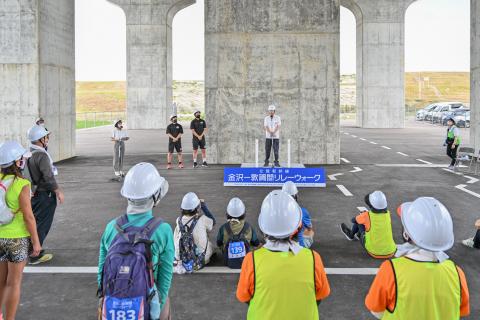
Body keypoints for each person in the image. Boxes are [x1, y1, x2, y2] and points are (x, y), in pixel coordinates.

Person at [366, 197, 470, 319]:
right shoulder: (457, 273)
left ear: (407, 234)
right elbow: (460, 311)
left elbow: (376, 309)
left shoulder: (391, 269)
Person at [236, 190, 330, 319]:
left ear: (263, 228)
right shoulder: (313, 258)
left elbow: (243, 296)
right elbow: (321, 294)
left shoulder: (251, 259)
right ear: (298, 227)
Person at [98, 162, 174, 320]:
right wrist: (154, 311)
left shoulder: (111, 227)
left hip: (112, 306)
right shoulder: (163, 230)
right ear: (154, 195)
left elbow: (102, 272)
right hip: (145, 305)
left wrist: (103, 302)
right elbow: (165, 279)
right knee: (166, 301)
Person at [0, 141, 41, 320]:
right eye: (21, 159)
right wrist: (36, 242)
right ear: (17, 162)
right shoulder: (22, 184)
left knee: (1, 282)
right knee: (13, 283)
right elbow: (29, 217)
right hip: (17, 239)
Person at [26, 125, 64, 264]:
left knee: (36, 222)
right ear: (40, 139)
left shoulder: (29, 152)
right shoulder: (41, 155)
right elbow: (48, 176)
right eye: (46, 136)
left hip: (35, 193)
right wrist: (58, 191)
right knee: (42, 224)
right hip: (44, 195)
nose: (47, 138)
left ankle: (32, 249)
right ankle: (35, 254)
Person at [340, 191, 396, 259]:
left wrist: (362, 215)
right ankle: (359, 235)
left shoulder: (367, 215)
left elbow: (353, 220)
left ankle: (351, 235)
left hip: (374, 252)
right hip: (390, 252)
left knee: (359, 222)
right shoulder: (387, 214)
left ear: (371, 205)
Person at [174, 192, 215, 272]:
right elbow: (213, 222)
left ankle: (178, 258)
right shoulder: (202, 219)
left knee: (177, 234)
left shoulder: (178, 220)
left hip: (182, 259)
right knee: (210, 245)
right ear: (197, 208)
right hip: (200, 260)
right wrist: (203, 206)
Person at [216, 197, 261, 268]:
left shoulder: (223, 228)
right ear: (243, 214)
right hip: (246, 261)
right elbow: (256, 243)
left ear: (228, 214)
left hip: (227, 260)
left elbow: (218, 243)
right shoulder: (249, 227)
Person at [282, 181, 314, 248]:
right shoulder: (303, 211)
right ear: (296, 196)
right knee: (310, 231)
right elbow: (309, 228)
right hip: (299, 246)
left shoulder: (277, 212)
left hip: (280, 244)